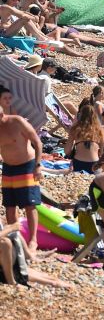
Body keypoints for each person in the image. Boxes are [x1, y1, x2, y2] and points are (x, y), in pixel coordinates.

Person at [0, 107, 42, 253]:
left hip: (27, 166)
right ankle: (17, 240)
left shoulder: (17, 122)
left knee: (29, 205)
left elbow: (37, 142)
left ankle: (33, 240)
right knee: (10, 207)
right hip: (7, 168)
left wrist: (37, 166)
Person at [65, 102, 103, 174]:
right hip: (94, 164)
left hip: (78, 163)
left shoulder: (75, 129)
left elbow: (67, 151)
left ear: (80, 116)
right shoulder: (100, 130)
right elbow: (103, 151)